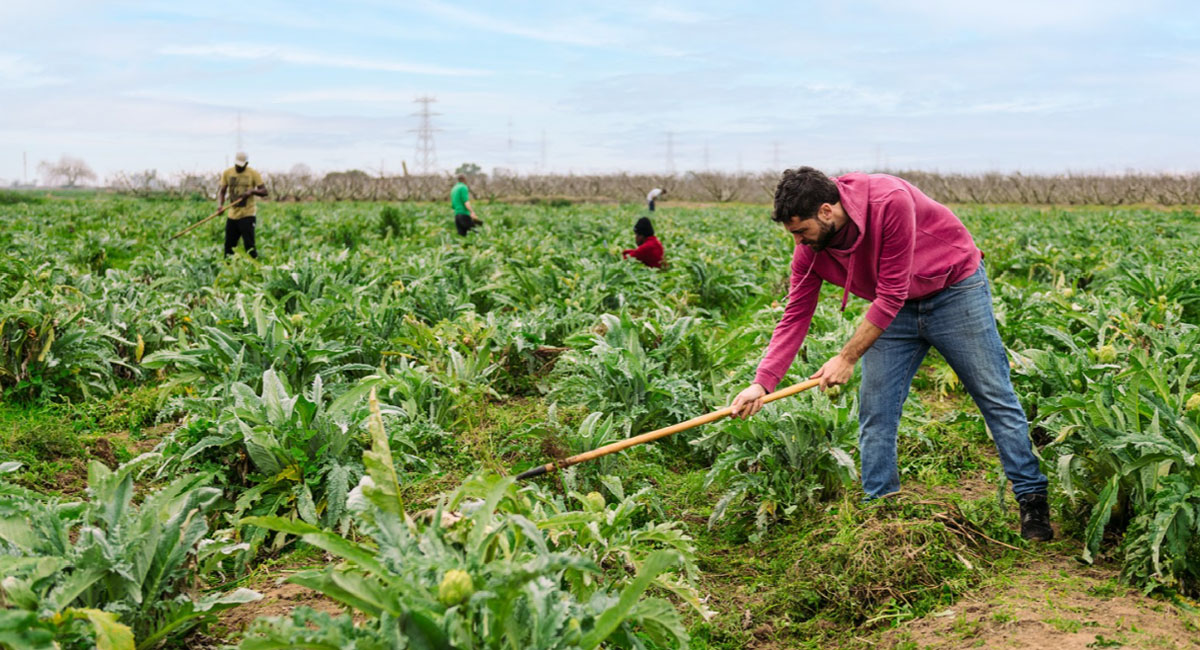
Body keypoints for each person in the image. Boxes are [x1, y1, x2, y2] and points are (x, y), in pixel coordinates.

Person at [729, 167, 1052, 541]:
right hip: (893, 312)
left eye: (802, 231)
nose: (798, 241)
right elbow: (795, 315)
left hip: (954, 289)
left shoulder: (888, 201)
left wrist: (847, 357)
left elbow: (892, 292)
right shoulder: (809, 252)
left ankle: (1032, 499)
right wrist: (762, 384)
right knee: (876, 410)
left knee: (994, 396)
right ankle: (880, 512)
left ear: (826, 211)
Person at [217, 152, 268, 258]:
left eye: (241, 165)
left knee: (249, 246)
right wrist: (220, 206)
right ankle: (228, 266)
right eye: (237, 165)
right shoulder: (227, 173)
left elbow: (264, 191)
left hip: (248, 215)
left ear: (246, 164)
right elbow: (222, 191)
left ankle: (254, 266)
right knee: (229, 246)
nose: (239, 167)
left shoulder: (253, 173)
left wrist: (251, 191)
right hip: (232, 215)